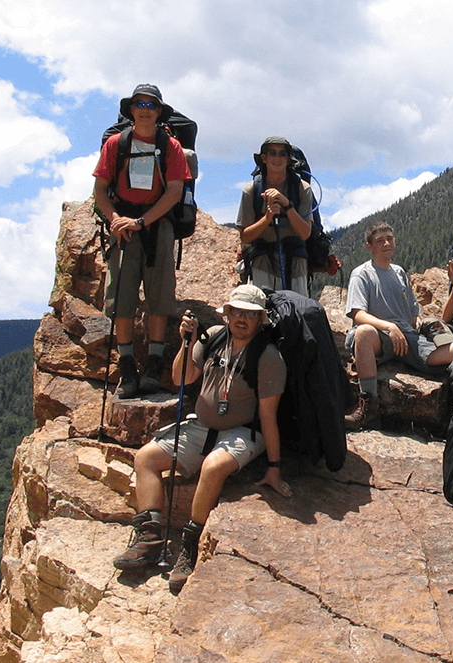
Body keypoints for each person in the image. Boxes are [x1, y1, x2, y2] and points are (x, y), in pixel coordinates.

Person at [112, 285, 292, 592]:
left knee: (212, 467)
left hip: (242, 432)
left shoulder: (268, 356)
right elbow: (183, 378)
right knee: (145, 458)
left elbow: (268, 415)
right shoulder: (214, 337)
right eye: (236, 312)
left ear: (261, 319)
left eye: (250, 314)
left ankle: (190, 545)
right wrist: (188, 342)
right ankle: (149, 537)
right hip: (201, 425)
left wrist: (273, 466)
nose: (241, 319)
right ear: (227, 313)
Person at [93, 84, 192, 398]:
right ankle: (126, 367)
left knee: (159, 296)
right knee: (122, 297)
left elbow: (174, 192)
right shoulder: (116, 144)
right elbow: (100, 190)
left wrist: (139, 221)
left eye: (151, 104)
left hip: (155, 226)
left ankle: (153, 363)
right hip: (122, 225)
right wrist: (115, 220)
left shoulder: (171, 146)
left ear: (159, 111)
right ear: (131, 109)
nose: (145, 109)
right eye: (140, 103)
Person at [344, 222, 453, 429]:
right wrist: (388, 327)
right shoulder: (362, 274)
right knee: (363, 333)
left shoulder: (399, 273)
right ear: (369, 246)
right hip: (378, 336)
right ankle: (368, 406)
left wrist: (419, 324)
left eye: (389, 238)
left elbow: (413, 311)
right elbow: (357, 314)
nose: (386, 243)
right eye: (379, 240)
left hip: (406, 337)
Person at [236, 136, 315, 297]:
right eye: (272, 153)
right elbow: (245, 236)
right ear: (264, 158)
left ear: (288, 159)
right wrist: (267, 218)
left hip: (296, 264)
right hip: (262, 263)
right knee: (263, 316)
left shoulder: (302, 189)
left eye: (282, 154)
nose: (277, 158)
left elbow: (305, 233)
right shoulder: (251, 190)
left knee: (297, 315)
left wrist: (287, 206)